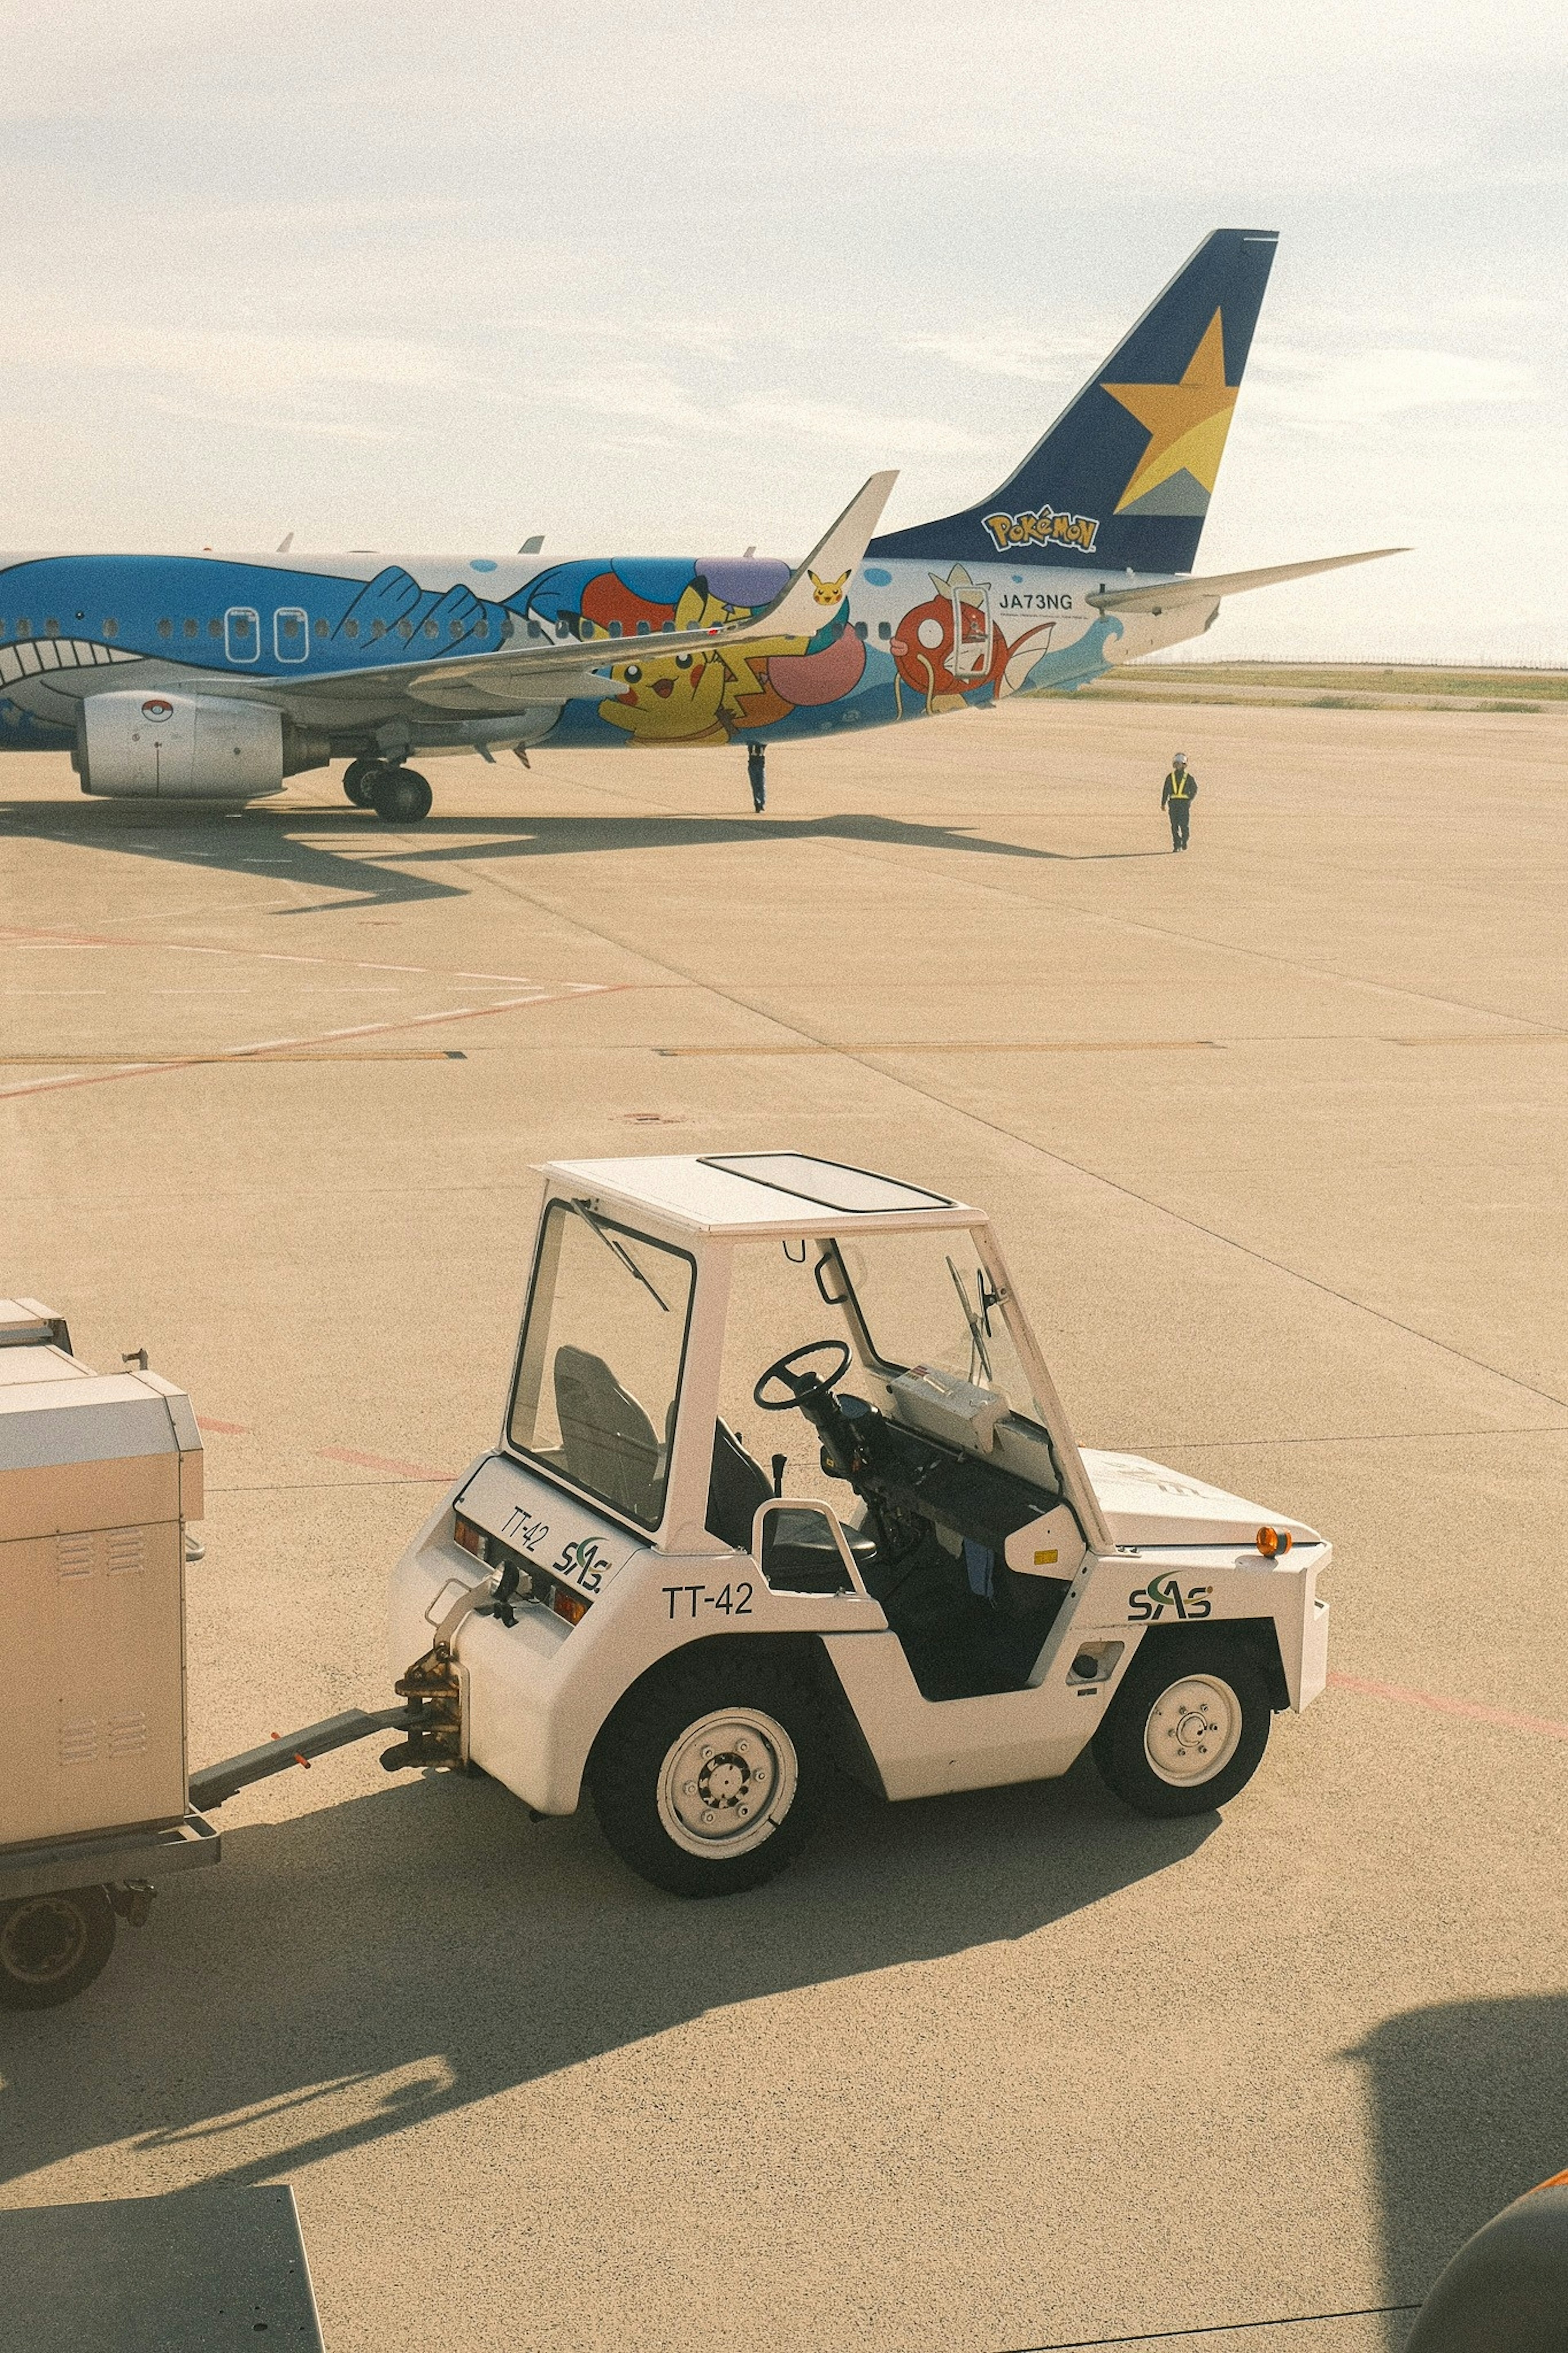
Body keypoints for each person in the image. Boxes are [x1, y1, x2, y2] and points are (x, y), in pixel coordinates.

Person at [1161, 752, 1197, 850]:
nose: (1178, 766)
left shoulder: (1189, 778)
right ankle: (1177, 845)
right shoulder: (1170, 777)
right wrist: (1163, 803)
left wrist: (1190, 800)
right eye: (1176, 764)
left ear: (1184, 765)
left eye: (1179, 764)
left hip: (1184, 804)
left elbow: (1194, 789)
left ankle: (1184, 841)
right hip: (1173, 804)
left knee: (1184, 825)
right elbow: (1166, 790)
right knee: (1174, 826)